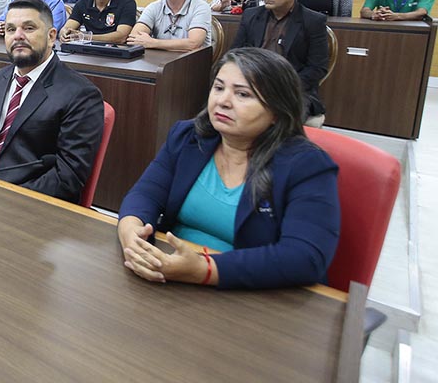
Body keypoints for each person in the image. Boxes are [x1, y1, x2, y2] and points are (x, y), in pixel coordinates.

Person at [117, 48, 340, 289]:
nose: (223, 101)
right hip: (171, 276)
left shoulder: (306, 165)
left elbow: (305, 258)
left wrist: (204, 270)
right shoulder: (189, 137)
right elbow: (145, 194)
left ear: (277, 111)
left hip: (258, 294)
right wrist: (131, 232)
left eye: (242, 94)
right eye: (219, 88)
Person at [0, 0, 104, 203]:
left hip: (30, 204)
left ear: (51, 36)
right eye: (10, 29)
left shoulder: (80, 94)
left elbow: (68, 176)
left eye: (29, 28)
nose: (18, 36)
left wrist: (6, 198)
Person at [230, 0, 328, 122]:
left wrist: (281, 86)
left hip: (291, 88)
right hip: (250, 81)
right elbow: (235, 53)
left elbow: (317, 67)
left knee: (279, 121)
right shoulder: (251, 15)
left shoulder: (313, 21)